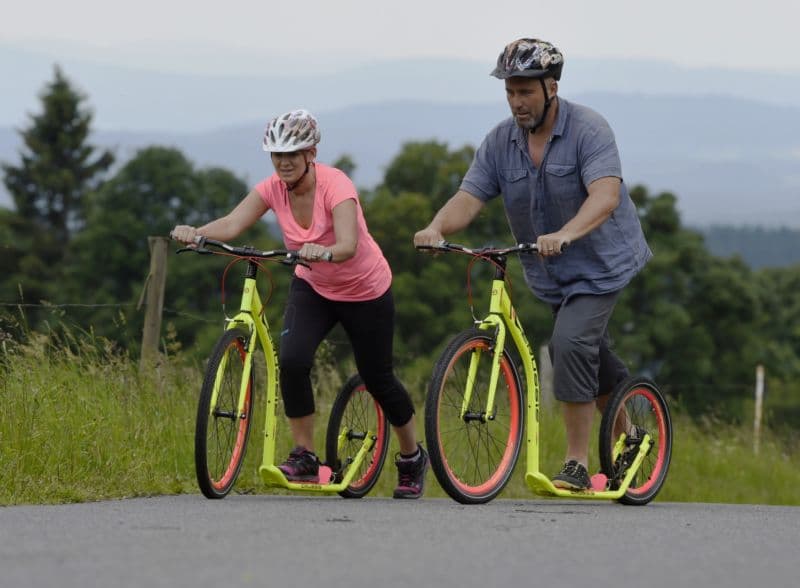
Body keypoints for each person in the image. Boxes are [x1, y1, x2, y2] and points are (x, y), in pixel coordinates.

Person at [413, 38, 652, 490]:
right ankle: (632, 436)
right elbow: (470, 197)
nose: (517, 102)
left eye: (525, 91)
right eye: (510, 92)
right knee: (584, 352)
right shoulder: (500, 141)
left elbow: (606, 196)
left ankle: (577, 465)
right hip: (549, 270)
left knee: (569, 343)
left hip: (601, 262)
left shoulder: (589, 130)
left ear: (551, 88)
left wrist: (565, 233)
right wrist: (437, 228)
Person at [172, 109, 428, 499]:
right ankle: (305, 456)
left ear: (312, 152)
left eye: (293, 152)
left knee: (377, 377)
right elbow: (231, 223)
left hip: (365, 289)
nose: (284, 161)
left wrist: (323, 251)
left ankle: (411, 457)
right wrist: (197, 234)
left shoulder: (336, 185)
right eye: (277, 154)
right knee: (291, 360)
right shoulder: (273, 188)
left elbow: (347, 245)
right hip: (314, 286)